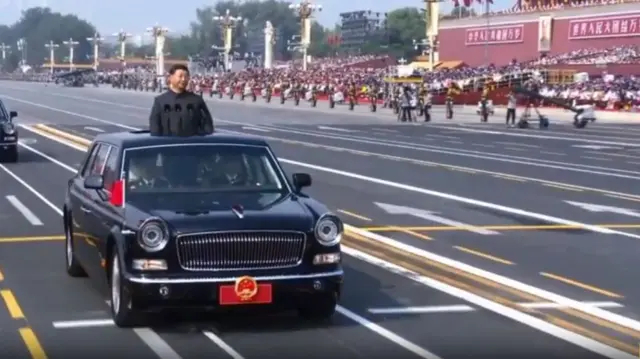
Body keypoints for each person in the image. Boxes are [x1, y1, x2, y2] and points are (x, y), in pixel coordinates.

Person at [148, 64, 214, 136]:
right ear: (171, 77)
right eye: (180, 76)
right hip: (168, 145)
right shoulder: (160, 101)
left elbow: (208, 126)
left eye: (186, 76)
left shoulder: (197, 101)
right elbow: (155, 128)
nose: (183, 79)